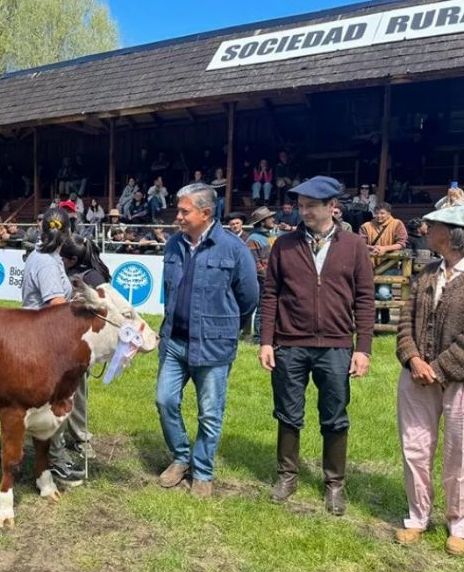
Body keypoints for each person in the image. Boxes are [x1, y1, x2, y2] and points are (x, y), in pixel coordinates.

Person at [258, 176, 375, 516]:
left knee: (335, 416)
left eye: (310, 205)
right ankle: (287, 476)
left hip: (337, 345)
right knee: (287, 412)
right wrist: (267, 341)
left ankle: (334, 484)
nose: (303, 211)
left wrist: (362, 347)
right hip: (290, 344)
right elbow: (270, 296)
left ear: (331, 208)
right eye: (301, 205)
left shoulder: (354, 246)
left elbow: (365, 299)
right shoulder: (284, 245)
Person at [156, 183, 258, 496]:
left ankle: (202, 471)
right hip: (174, 341)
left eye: (184, 211)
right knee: (165, 400)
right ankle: (181, 457)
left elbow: (249, 297)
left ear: (206, 213)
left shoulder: (233, 248)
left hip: (213, 345)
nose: (178, 217)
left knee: (210, 412)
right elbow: (169, 291)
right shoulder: (173, 244)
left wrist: (220, 325)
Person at [394, 205, 464, 555]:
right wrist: (413, 358)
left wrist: (436, 368)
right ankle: (417, 517)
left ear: (451, 234)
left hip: (459, 381)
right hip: (416, 376)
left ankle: (459, 524)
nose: (425, 227)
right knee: (416, 448)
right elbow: (405, 319)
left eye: (432, 224)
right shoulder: (426, 273)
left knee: (459, 453)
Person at [21, 207, 84, 486]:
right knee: (54, 402)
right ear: (67, 232)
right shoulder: (46, 261)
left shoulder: (51, 256)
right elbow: (56, 305)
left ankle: (55, 456)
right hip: (44, 342)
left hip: (45, 337)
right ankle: (55, 462)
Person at [56, 234, 112, 461]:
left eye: (63, 258)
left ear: (71, 259)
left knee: (77, 393)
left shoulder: (95, 277)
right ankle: (54, 435)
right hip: (60, 339)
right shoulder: (68, 271)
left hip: (81, 342)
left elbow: (104, 309)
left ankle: (81, 437)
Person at [359, 202, 408, 324]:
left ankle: (385, 320)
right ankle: (374, 323)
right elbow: (360, 243)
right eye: (377, 213)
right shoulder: (366, 226)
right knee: (370, 294)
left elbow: (401, 243)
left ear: (389, 214)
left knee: (383, 293)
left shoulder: (397, 224)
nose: (379, 216)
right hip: (369, 264)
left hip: (389, 263)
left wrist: (385, 249)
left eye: (382, 213)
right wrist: (372, 248)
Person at [246, 206, 278, 340]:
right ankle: (258, 336)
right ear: (263, 221)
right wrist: (266, 277)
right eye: (270, 218)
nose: (273, 220)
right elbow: (255, 262)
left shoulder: (271, 236)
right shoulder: (253, 239)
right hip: (263, 279)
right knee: (262, 307)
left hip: (274, 276)